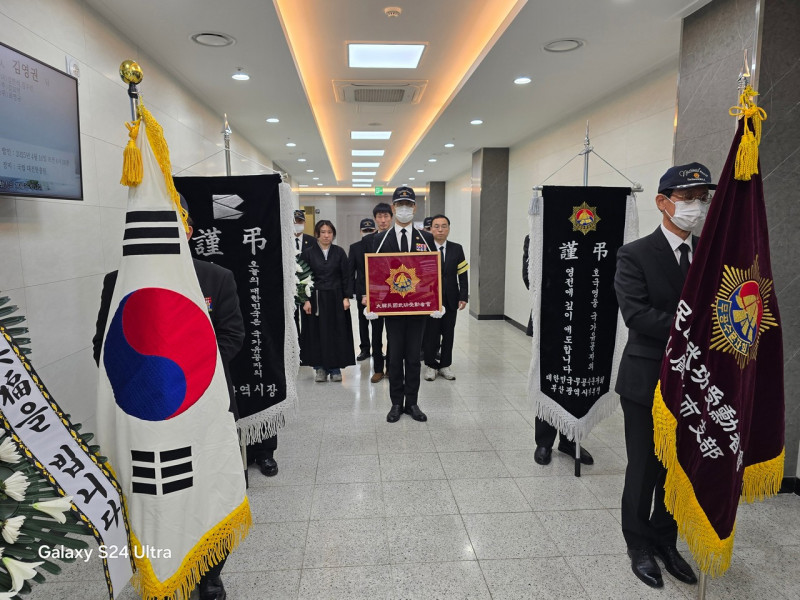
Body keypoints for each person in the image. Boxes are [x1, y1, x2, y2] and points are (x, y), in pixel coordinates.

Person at [92, 206, 244, 600]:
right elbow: (103, 347)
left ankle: (210, 574)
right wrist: (147, 385)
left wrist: (188, 375)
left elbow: (232, 336)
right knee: (156, 495)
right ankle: (161, 566)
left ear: (188, 232)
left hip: (203, 407)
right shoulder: (118, 282)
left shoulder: (215, 277)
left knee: (212, 490)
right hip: (144, 415)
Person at [614, 162, 714, 589]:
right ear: (662, 202)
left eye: (702, 199)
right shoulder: (634, 254)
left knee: (678, 467)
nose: (696, 207)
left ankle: (665, 539)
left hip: (696, 382)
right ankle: (638, 543)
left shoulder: (710, 253)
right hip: (647, 377)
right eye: (687, 198)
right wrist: (699, 326)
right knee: (645, 465)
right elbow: (637, 315)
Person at [369, 186, 436, 422]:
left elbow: (431, 271)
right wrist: (371, 301)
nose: (404, 209)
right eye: (400, 205)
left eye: (408, 205)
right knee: (395, 357)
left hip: (418, 308)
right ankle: (396, 403)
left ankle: (413, 403)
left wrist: (436, 300)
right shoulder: (380, 239)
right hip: (393, 309)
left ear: (414, 208)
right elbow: (376, 273)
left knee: (414, 358)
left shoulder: (426, 238)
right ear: (393, 207)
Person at [300, 220, 355, 382]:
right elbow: (302, 277)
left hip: (336, 298)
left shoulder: (339, 252)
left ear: (333, 234)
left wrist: (346, 297)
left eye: (329, 232)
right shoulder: (308, 253)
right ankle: (319, 369)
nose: (326, 235)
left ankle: (335, 368)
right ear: (317, 234)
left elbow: (346, 276)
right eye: (323, 232)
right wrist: (305, 300)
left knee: (336, 331)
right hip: (315, 298)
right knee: (316, 332)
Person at [423, 214, 468, 381]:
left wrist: (463, 296)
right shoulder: (423, 248)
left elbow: (462, 274)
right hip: (430, 298)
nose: (440, 230)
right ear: (431, 229)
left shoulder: (457, 248)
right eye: (436, 226)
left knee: (448, 333)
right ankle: (431, 365)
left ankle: (445, 365)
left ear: (449, 229)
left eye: (444, 226)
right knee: (431, 334)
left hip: (451, 298)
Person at [361, 202, 394, 383]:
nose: (383, 220)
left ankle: (392, 368)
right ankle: (378, 369)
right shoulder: (368, 241)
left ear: (391, 218)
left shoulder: (397, 237)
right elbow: (363, 269)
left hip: (395, 292)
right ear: (375, 219)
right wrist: (365, 294)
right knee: (376, 333)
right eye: (379, 217)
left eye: (386, 216)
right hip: (375, 293)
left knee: (393, 333)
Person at [348, 217, 377, 361]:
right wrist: (350, 293)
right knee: (363, 321)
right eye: (365, 230)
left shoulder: (380, 245)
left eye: (370, 230)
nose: (368, 232)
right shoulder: (355, 247)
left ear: (375, 230)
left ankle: (378, 349)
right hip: (362, 290)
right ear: (360, 231)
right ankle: (365, 349)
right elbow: (350, 271)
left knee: (378, 323)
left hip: (379, 291)